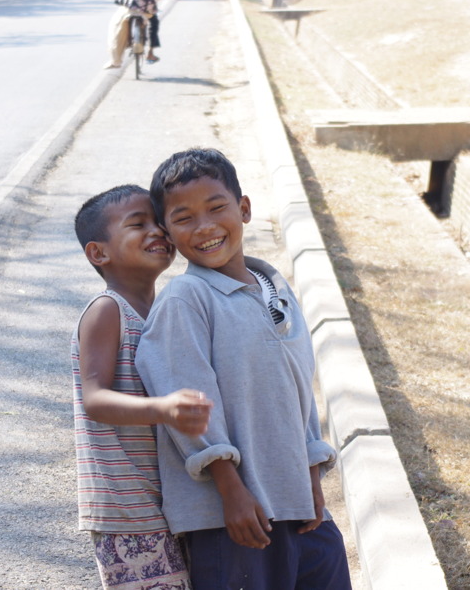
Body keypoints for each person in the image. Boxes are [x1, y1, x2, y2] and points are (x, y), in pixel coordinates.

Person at [135, 149, 353, 589]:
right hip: (233, 518)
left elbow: (297, 391)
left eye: (217, 208)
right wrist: (230, 491)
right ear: (169, 233)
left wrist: (311, 475)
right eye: (184, 218)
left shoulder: (276, 288)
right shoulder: (186, 299)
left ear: (245, 209)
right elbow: (188, 405)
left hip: (298, 505)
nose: (205, 227)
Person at [72, 184, 214, 590]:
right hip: (127, 508)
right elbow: (95, 399)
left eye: (158, 221)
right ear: (99, 253)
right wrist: (164, 408)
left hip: (164, 500)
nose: (157, 231)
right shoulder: (107, 310)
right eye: (138, 224)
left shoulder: (160, 310)